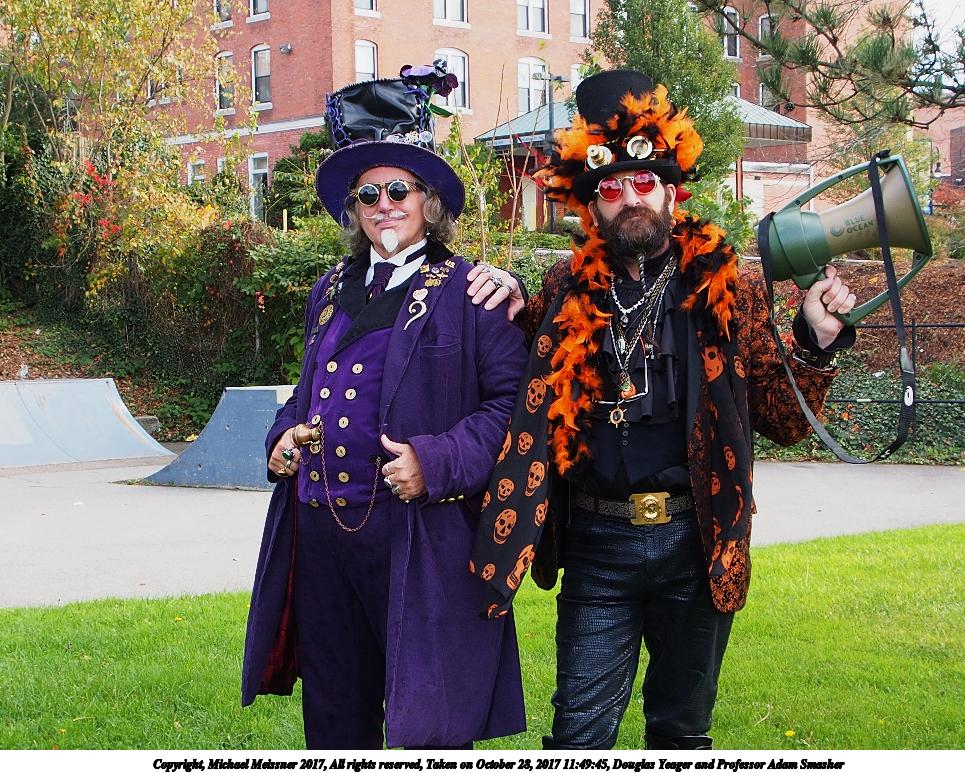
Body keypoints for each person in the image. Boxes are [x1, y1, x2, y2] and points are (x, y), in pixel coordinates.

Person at [468, 69, 857, 750]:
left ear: (672, 191)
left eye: (643, 182)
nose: (630, 199)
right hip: (596, 543)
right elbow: (523, 378)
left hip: (695, 540)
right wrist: (506, 291)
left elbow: (785, 420)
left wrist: (814, 341)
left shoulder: (730, 288)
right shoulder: (563, 288)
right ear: (591, 208)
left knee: (681, 733)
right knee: (578, 736)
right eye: (610, 189)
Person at [241, 69, 529, 750]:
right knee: (334, 722)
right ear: (354, 208)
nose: (384, 205)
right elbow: (306, 391)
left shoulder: (473, 291)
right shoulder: (328, 290)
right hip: (322, 539)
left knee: (428, 727)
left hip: (418, 540)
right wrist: (282, 437)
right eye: (368, 194)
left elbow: (511, 410)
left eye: (399, 190)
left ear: (429, 201)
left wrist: (435, 462)